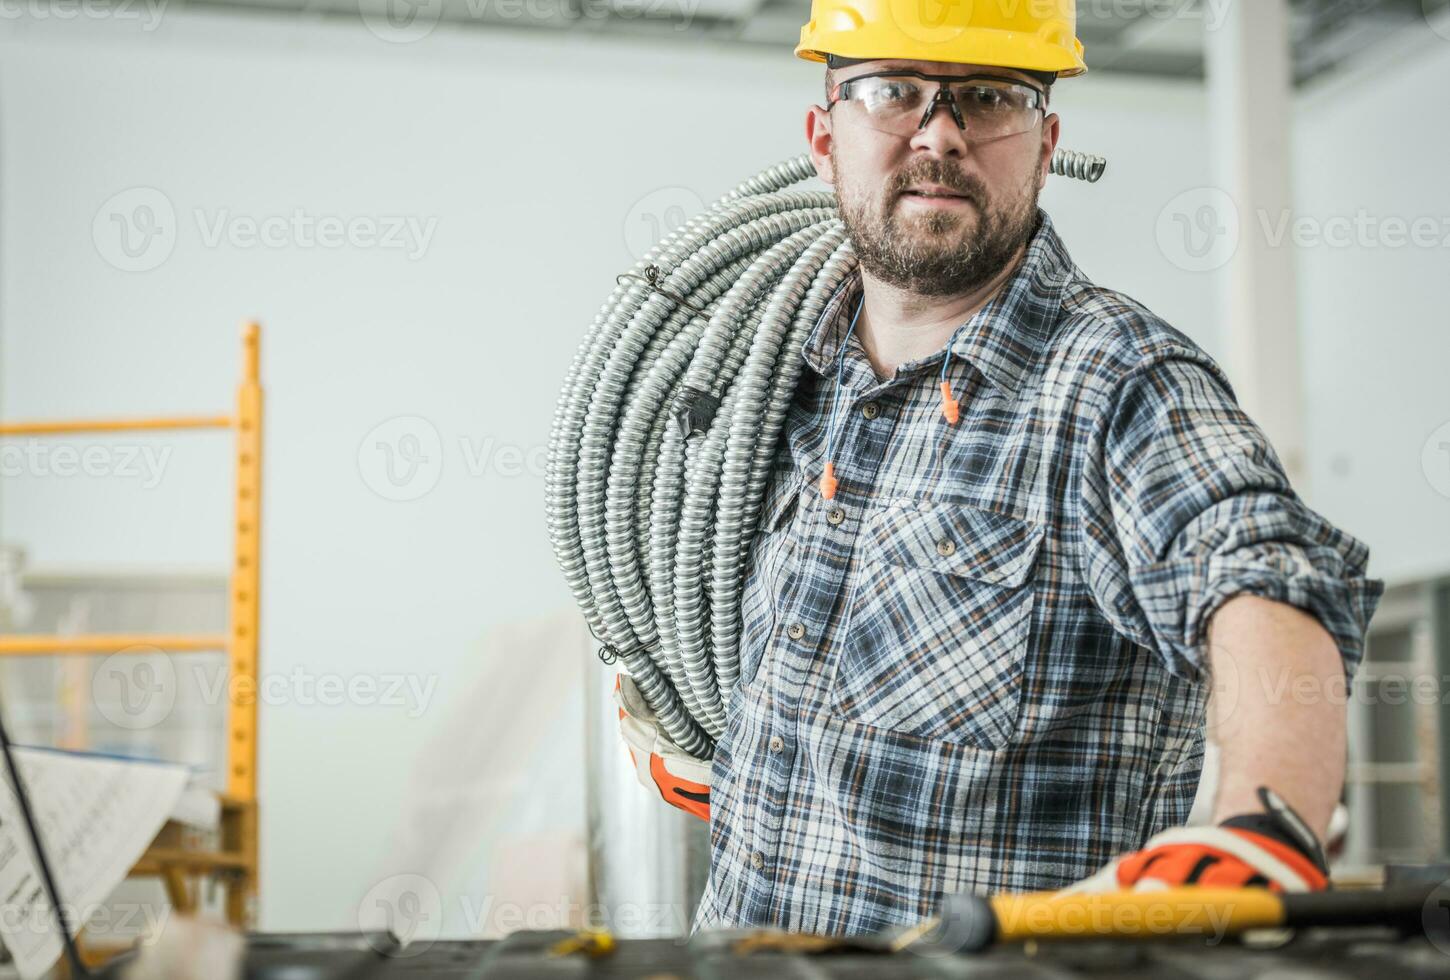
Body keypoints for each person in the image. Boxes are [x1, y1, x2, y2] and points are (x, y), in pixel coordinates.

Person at [616, 0, 1383, 935]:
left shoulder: (1115, 381)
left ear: (1046, 141)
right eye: (893, 90)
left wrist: (1267, 820)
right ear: (825, 135)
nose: (941, 133)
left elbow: (1261, 573)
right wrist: (725, 749)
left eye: (989, 96)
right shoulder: (776, 383)